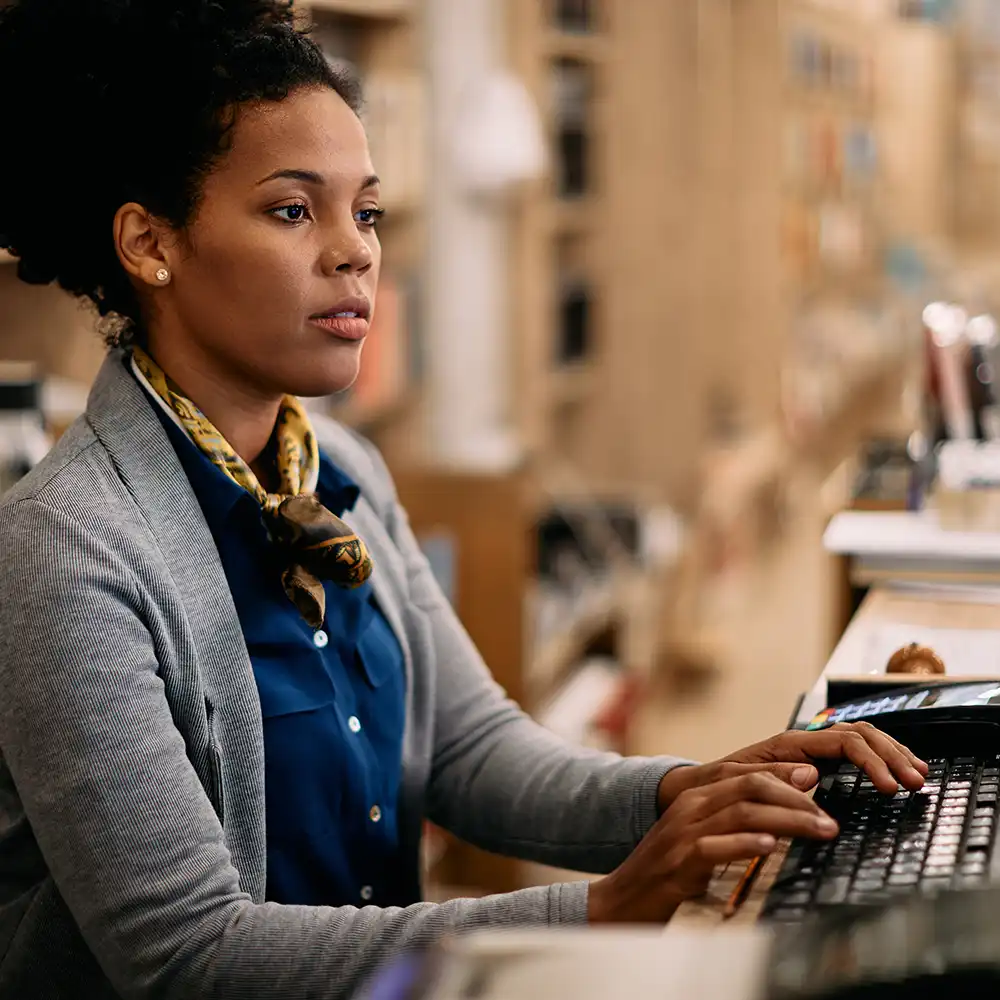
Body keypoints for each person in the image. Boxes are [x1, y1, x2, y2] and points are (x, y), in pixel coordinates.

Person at [0, 2, 927, 998]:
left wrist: (689, 791)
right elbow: (187, 957)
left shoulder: (342, 472)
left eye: (367, 211)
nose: (354, 252)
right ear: (149, 243)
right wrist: (603, 910)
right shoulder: (63, 555)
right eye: (290, 209)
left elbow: (472, 751)